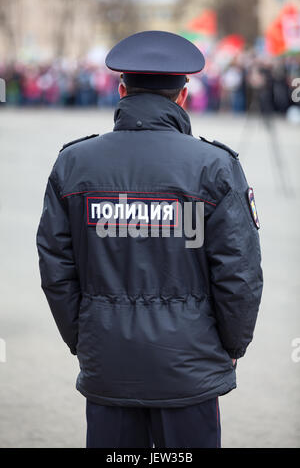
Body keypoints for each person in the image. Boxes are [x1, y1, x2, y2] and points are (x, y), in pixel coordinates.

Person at [36, 30, 263, 448]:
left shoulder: (74, 163)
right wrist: (233, 346)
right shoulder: (214, 166)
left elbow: (56, 270)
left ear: (121, 89)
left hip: (110, 363)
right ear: (184, 96)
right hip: (189, 368)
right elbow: (239, 275)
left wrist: (87, 337)